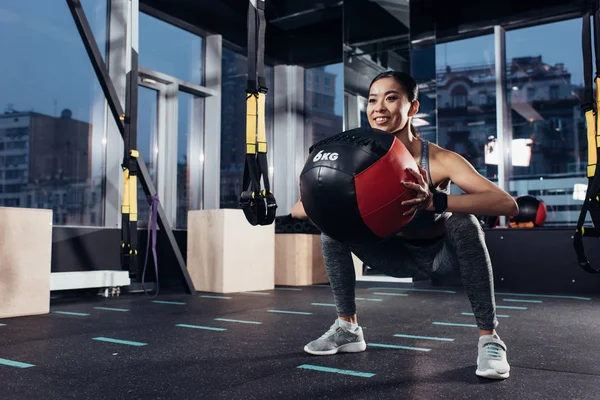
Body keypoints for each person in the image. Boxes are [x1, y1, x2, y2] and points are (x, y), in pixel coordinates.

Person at [291, 70, 518, 380]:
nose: (379, 108)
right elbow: (298, 211)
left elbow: (507, 203)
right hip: (386, 252)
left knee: (464, 222)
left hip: (435, 256)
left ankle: (490, 339)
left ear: (412, 108)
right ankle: (348, 329)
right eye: (372, 100)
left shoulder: (439, 160)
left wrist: (435, 202)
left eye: (391, 98)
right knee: (333, 227)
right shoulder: (358, 158)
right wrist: (319, 192)